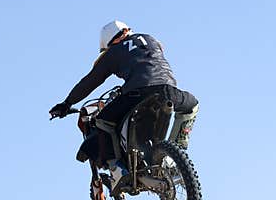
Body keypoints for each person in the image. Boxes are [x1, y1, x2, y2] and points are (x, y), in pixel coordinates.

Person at [49, 20, 199, 183]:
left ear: (110, 42)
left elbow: (91, 81)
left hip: (138, 94)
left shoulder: (113, 52)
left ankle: (117, 168)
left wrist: (67, 104)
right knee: (192, 105)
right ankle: (176, 153)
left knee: (103, 121)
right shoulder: (150, 39)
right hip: (169, 91)